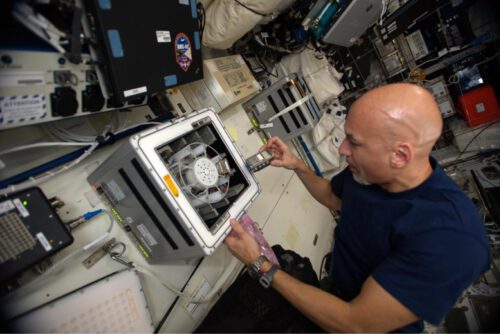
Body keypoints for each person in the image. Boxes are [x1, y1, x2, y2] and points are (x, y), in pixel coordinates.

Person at [224, 83, 490, 332]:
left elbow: (355, 324)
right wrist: (298, 165)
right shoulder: (369, 170)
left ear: (399, 155)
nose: (342, 149)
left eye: (355, 142)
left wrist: (260, 264)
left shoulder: (454, 240)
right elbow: (332, 196)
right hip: (335, 292)